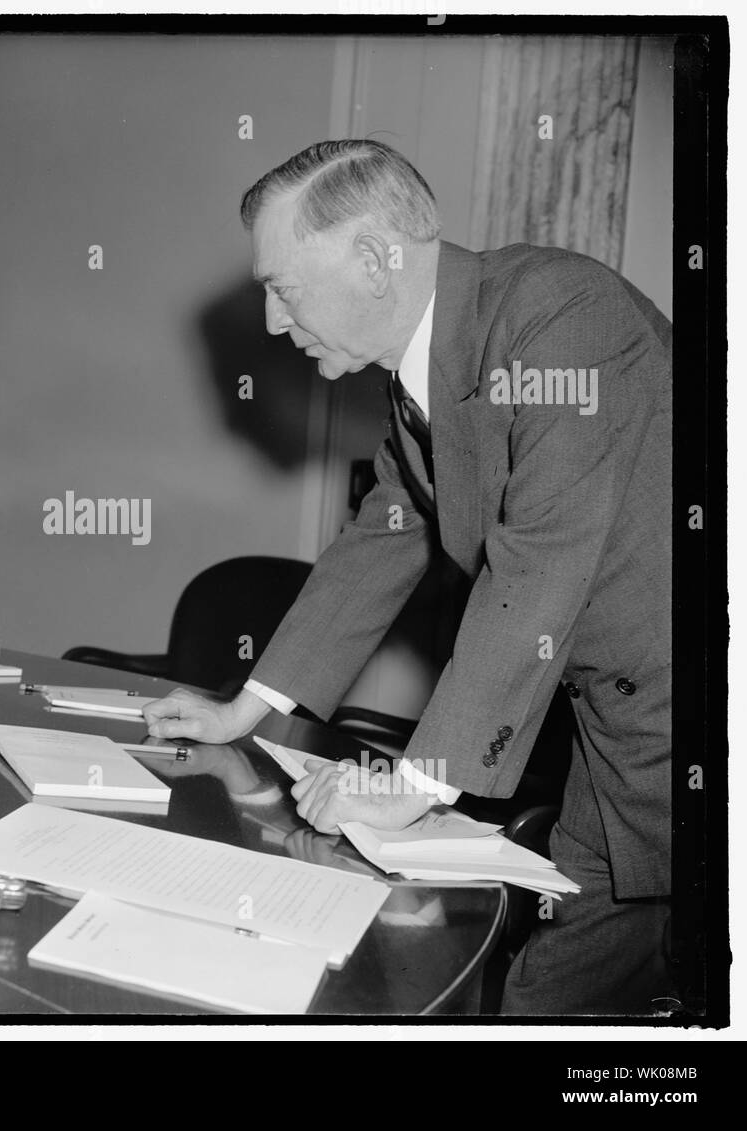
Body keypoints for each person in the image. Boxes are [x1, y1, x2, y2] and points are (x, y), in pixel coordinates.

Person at [143, 140, 672, 1014]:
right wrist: (248, 707)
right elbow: (381, 541)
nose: (274, 322)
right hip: (625, 729)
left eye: (284, 286)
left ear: (377, 257)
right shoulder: (425, 374)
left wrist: (413, 783)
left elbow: (535, 567)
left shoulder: (562, 317)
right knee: (556, 993)